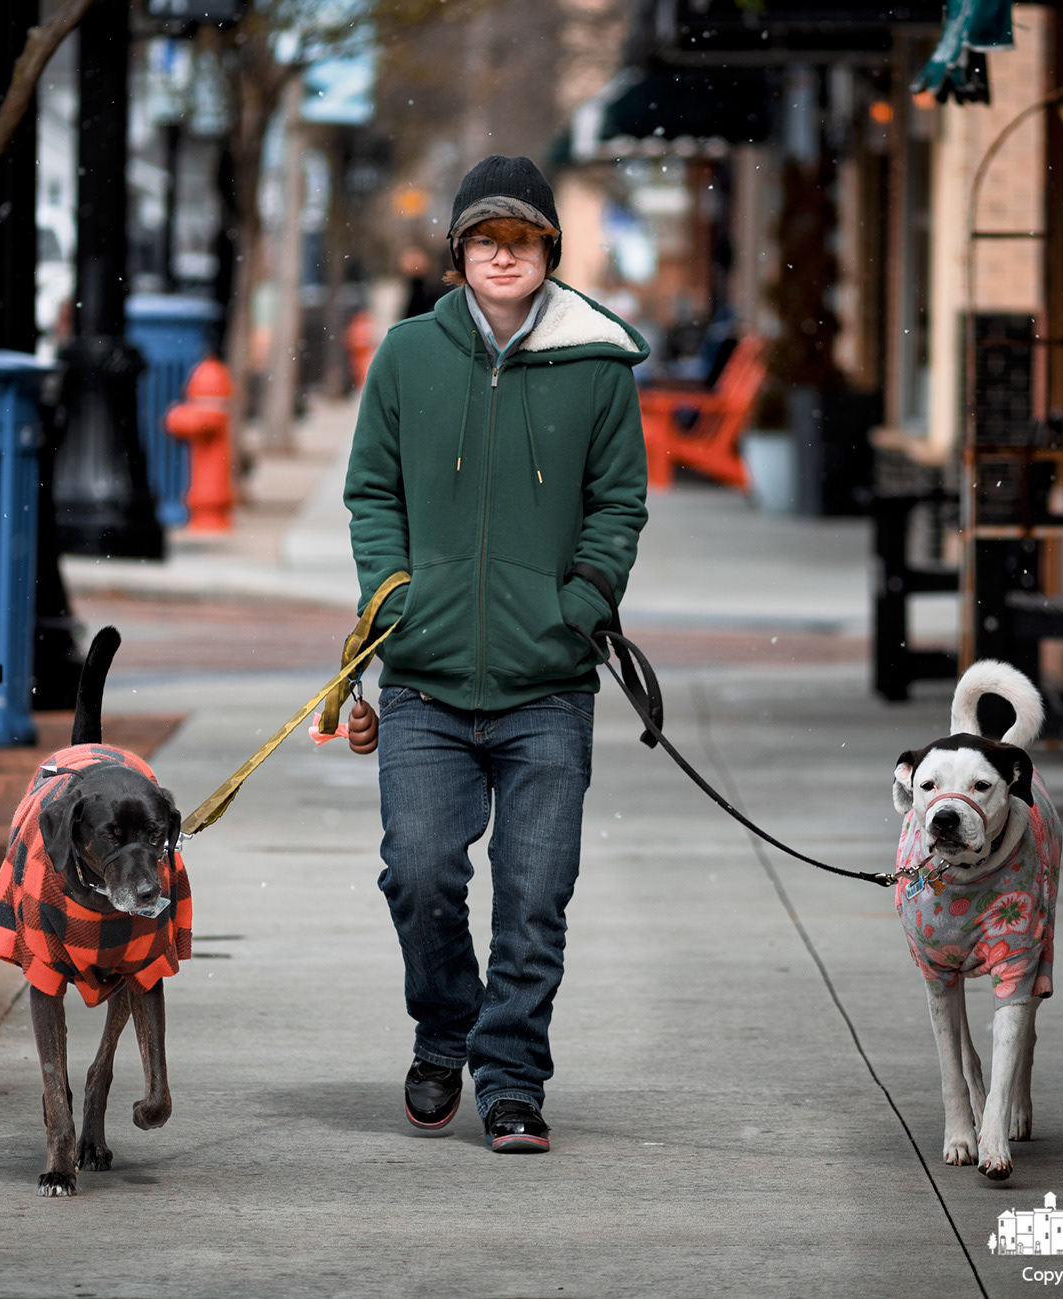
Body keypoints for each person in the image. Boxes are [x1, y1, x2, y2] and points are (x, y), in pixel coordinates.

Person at [341, 155, 650, 1153]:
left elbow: (619, 505)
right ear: (458, 256)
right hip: (426, 683)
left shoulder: (597, 364)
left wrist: (581, 604)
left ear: (549, 251)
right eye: (485, 238)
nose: (502, 254)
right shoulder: (405, 357)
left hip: (548, 689)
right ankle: (445, 1030)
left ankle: (512, 1079)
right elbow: (372, 495)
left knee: (533, 898)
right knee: (420, 873)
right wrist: (395, 596)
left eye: (521, 239)